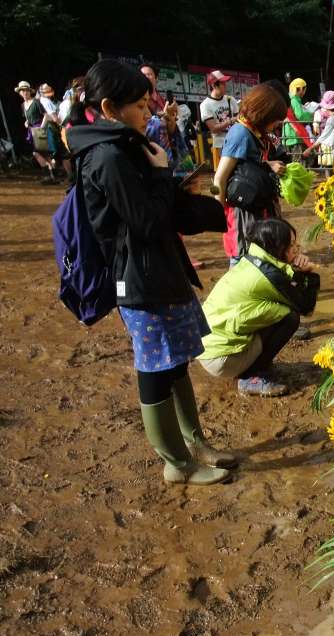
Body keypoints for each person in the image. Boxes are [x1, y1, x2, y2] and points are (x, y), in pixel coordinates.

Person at [67, 58, 235, 485]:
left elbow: (148, 213)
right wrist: (162, 178)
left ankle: (194, 444)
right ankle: (176, 463)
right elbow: (144, 222)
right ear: (109, 107)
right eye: (141, 106)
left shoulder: (126, 145)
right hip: (138, 280)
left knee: (175, 360)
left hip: (158, 269)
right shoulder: (106, 156)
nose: (149, 113)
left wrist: (178, 189)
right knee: (155, 368)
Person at [199, 218, 318, 396]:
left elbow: (286, 279)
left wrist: (297, 273)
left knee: (276, 310)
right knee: (289, 317)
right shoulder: (270, 277)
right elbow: (306, 307)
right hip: (221, 359)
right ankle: (251, 377)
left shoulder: (252, 258)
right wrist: (310, 275)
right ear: (277, 248)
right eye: (291, 244)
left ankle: (252, 364)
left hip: (208, 346)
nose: (296, 248)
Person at [213, 83, 288, 268]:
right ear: (263, 113)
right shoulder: (241, 133)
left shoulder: (256, 133)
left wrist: (269, 165)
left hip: (258, 210)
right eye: (275, 120)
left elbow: (250, 165)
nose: (277, 124)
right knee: (243, 263)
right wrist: (220, 213)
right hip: (244, 216)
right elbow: (219, 178)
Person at [17, 81, 61, 184]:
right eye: (22, 91)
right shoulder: (23, 105)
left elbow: (45, 115)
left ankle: (49, 176)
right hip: (32, 130)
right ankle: (53, 176)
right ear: (20, 93)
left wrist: (41, 127)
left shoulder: (36, 102)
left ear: (29, 91)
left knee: (38, 153)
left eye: (26, 90)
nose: (25, 92)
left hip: (39, 129)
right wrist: (26, 123)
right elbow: (28, 119)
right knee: (44, 154)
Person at [200, 70, 239, 169]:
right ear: (214, 85)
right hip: (219, 145)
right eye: (222, 83)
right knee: (221, 174)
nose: (225, 85)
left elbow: (239, 120)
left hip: (234, 142)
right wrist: (231, 121)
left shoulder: (231, 99)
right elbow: (213, 128)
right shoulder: (205, 105)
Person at [281, 77, 313, 153]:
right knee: (299, 162)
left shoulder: (288, 99)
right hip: (295, 135)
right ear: (301, 89)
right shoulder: (295, 100)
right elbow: (301, 116)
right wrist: (311, 115)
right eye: (304, 89)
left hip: (288, 135)